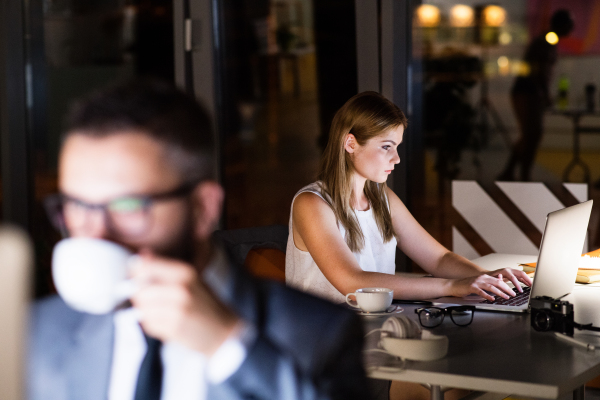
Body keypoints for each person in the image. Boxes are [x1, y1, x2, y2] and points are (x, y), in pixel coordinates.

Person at [28, 80, 371, 400]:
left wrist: (232, 347)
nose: (95, 235)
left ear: (202, 208)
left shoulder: (317, 333)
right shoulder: (37, 332)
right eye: (78, 206)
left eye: (129, 206)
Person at [286, 91, 532, 305]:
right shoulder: (312, 204)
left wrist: (487, 277)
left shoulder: (382, 198)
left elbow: (439, 258)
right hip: (321, 341)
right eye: (386, 147)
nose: (396, 158)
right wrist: (452, 286)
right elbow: (353, 282)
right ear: (350, 143)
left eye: (397, 147)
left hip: (372, 326)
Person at [498, 9, 574, 181]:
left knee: (529, 134)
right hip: (528, 92)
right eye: (569, 23)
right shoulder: (548, 40)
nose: (572, 27)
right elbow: (540, 70)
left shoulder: (547, 39)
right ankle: (522, 174)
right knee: (532, 134)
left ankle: (511, 172)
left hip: (528, 91)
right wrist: (545, 93)